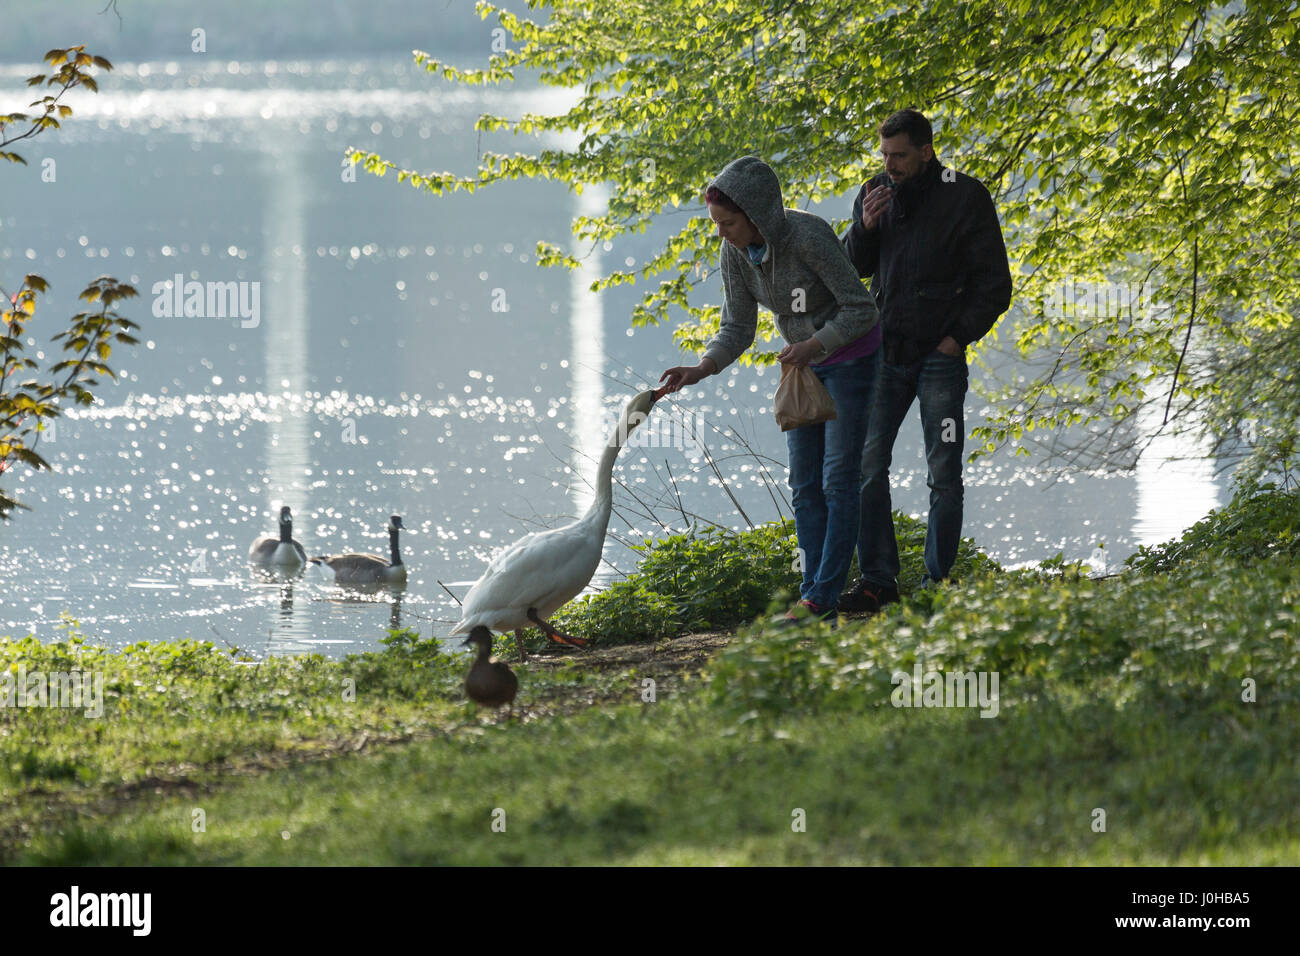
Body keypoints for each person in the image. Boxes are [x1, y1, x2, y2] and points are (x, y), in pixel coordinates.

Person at [659, 156, 881, 623]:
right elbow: (738, 326)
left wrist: (816, 343)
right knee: (804, 486)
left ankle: (822, 598)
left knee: (838, 480)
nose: (722, 233)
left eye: (728, 222)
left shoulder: (808, 236)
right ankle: (812, 596)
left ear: (757, 213)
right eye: (716, 223)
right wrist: (700, 369)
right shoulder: (734, 253)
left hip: (850, 359)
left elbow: (862, 309)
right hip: (804, 367)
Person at [838, 109, 1013, 613]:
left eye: (899, 156)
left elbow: (994, 283)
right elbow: (852, 270)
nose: (889, 165)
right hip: (884, 353)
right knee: (866, 468)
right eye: (884, 155)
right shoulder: (874, 192)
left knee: (944, 472)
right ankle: (878, 581)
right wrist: (866, 228)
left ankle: (938, 581)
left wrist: (959, 337)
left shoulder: (966, 195)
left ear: (926, 151)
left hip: (940, 356)